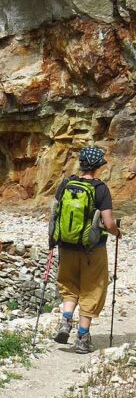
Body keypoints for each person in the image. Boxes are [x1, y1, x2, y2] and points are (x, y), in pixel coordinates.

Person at [52, 146, 121, 353]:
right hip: (93, 249)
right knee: (92, 288)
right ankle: (82, 337)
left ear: (81, 163)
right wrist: (117, 232)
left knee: (69, 284)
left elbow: (54, 213)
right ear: (98, 166)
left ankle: (65, 321)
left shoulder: (65, 184)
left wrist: (52, 241)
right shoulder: (100, 189)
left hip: (66, 246)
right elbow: (108, 223)